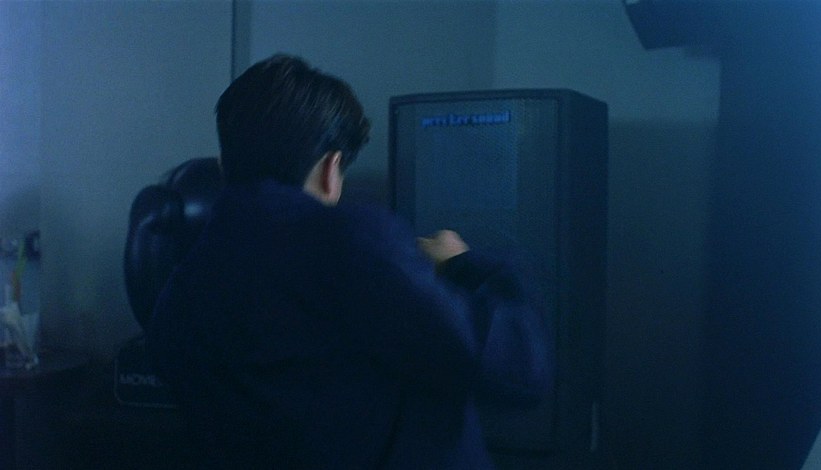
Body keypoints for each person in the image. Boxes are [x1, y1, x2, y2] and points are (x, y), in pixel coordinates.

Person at [147, 53, 549, 469]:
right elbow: (519, 371)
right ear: (330, 167)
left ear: (223, 165)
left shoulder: (177, 295)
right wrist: (461, 264)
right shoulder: (352, 243)